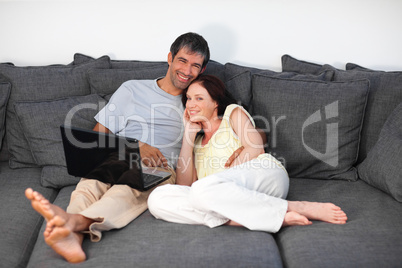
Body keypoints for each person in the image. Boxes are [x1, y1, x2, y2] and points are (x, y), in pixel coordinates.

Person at [25, 32, 211, 263]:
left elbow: (230, 121)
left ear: (202, 71)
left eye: (195, 65)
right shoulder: (132, 89)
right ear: (170, 58)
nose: (187, 70)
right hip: (119, 154)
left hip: (158, 166)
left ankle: (73, 226)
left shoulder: (198, 100)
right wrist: (136, 146)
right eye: (182, 60)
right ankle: (72, 232)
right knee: (90, 185)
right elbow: (98, 136)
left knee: (124, 192)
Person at [148, 75, 348, 232]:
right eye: (189, 98)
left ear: (215, 102)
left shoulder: (232, 114)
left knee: (202, 189)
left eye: (199, 98)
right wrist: (188, 137)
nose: (190, 104)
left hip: (263, 175)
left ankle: (296, 206)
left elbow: (255, 148)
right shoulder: (197, 141)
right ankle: (246, 219)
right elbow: (185, 186)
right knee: (157, 199)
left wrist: (221, 182)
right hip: (226, 199)